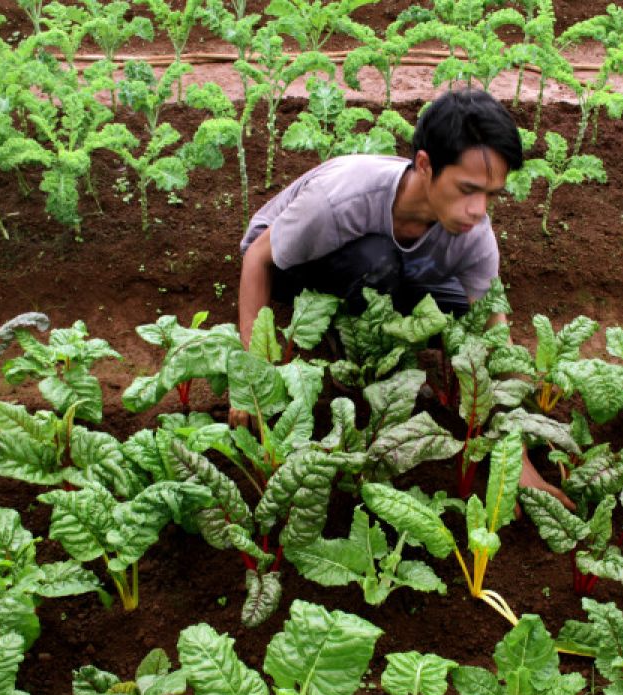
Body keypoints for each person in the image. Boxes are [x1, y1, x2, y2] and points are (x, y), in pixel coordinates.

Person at [233, 88, 571, 508]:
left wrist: (514, 461)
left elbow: (494, 337)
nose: (479, 209)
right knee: (376, 263)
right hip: (296, 263)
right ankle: (342, 341)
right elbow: (257, 259)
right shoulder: (341, 199)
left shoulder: (475, 235)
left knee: (455, 307)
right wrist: (254, 375)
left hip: (398, 273)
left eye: (491, 195)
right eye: (467, 189)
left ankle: (371, 324)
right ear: (426, 165)